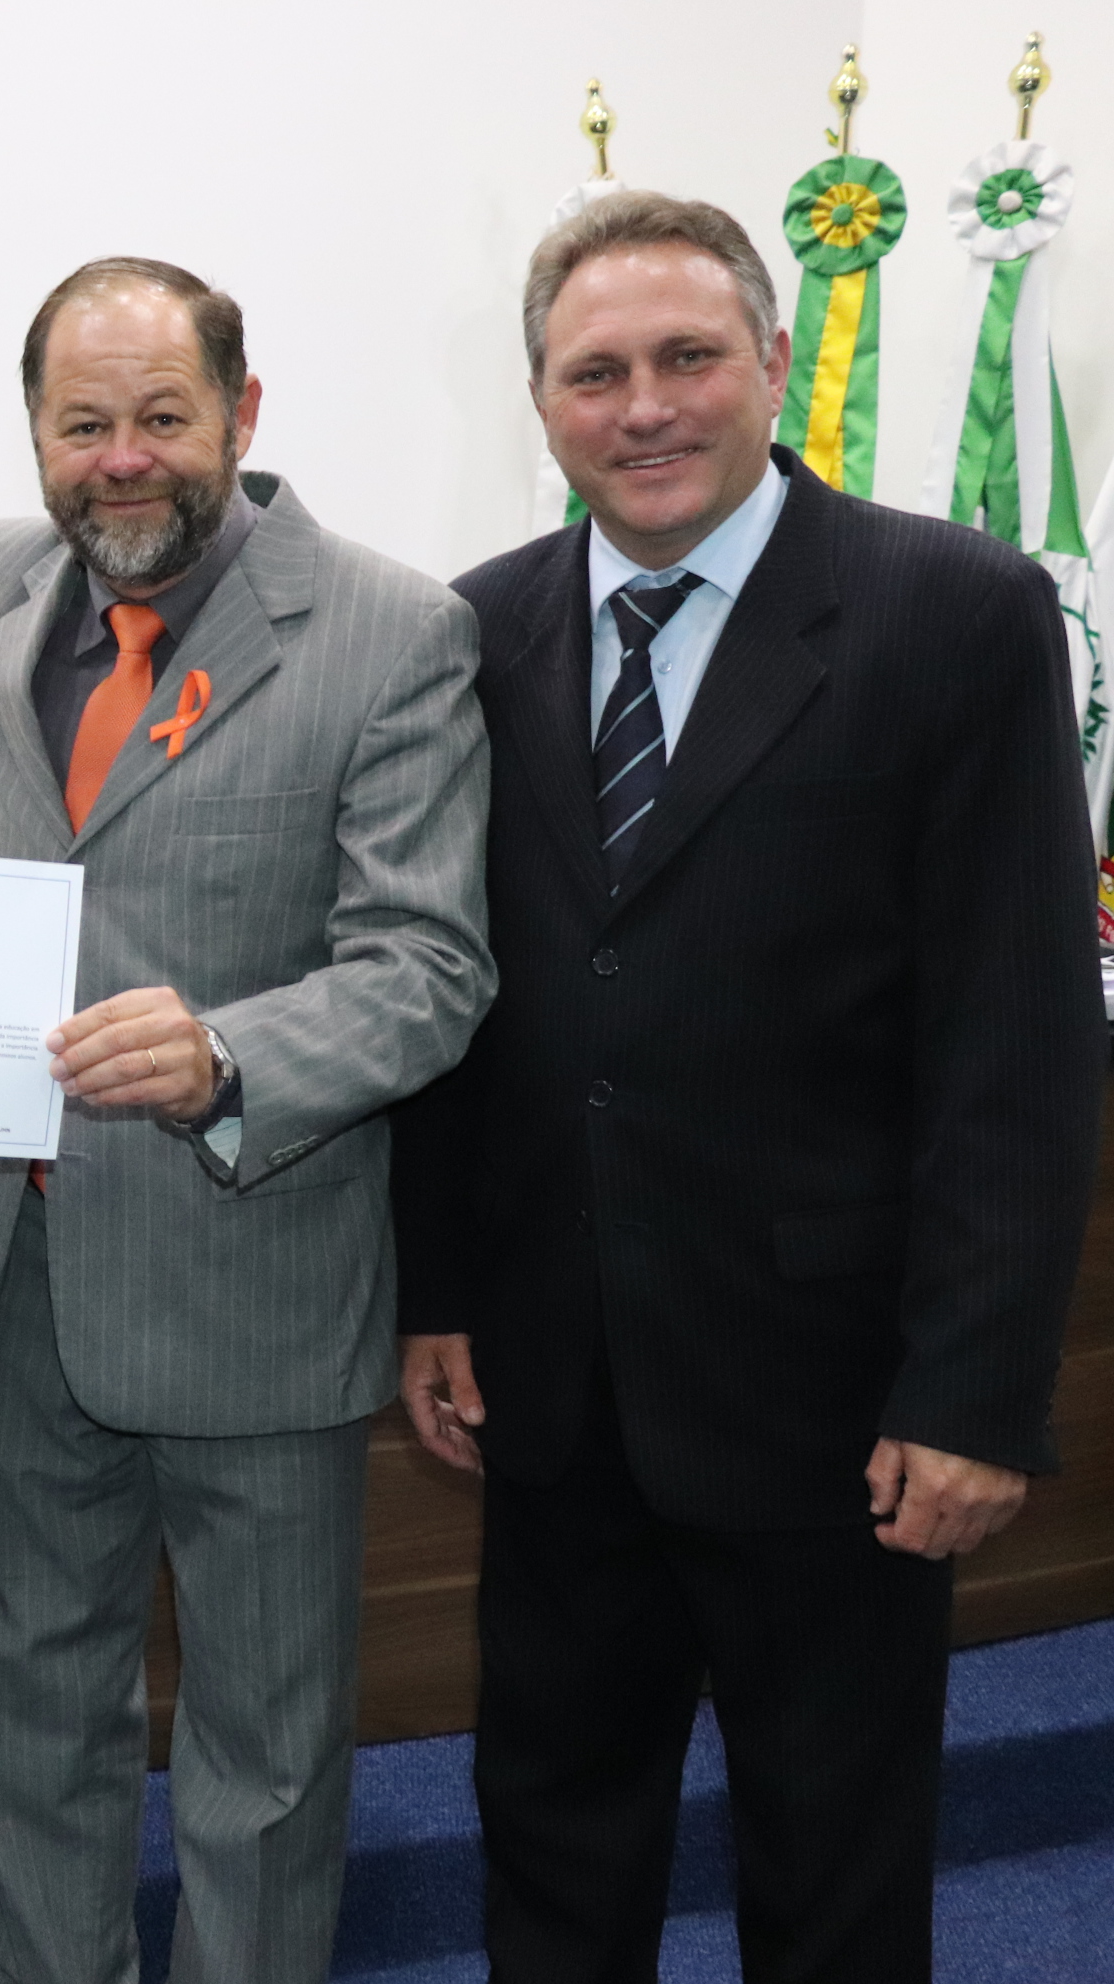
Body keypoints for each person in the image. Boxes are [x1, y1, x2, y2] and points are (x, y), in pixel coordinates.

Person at [393, 191, 1101, 1981]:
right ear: (539, 401)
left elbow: (1017, 1036)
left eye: (689, 358)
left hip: (840, 1396)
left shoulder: (957, 610)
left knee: (835, 1866)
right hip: (555, 1394)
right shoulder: (470, 636)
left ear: (773, 365)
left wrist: (976, 1387)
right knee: (551, 1839)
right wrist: (442, 1293)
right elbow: (454, 998)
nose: (646, 406)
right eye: (598, 371)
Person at [0, 258, 495, 1984]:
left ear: (242, 410)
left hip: (256, 1277)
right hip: (14, 1291)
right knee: (35, 1732)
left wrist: (228, 1052)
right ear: (36, 435)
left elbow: (431, 968)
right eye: (83, 424)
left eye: (163, 416)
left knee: (266, 1761)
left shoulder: (392, 630)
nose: (122, 459)